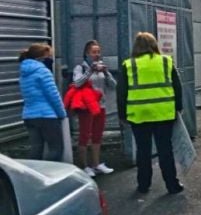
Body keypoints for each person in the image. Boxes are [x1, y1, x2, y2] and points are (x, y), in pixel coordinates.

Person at [118, 32, 184, 195]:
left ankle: (143, 184)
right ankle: (172, 184)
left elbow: (122, 92)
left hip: (139, 114)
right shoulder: (165, 61)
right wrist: (179, 107)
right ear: (154, 45)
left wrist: (122, 115)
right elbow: (177, 86)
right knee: (165, 150)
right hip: (163, 113)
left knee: (143, 150)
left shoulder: (129, 64)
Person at [72, 40, 116, 177]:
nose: (96, 55)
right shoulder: (81, 68)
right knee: (85, 134)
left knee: (97, 134)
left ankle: (96, 164)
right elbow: (77, 83)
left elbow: (113, 85)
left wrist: (106, 72)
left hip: (100, 105)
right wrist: (91, 70)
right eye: (93, 52)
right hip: (86, 106)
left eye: (98, 52)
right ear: (87, 53)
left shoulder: (101, 67)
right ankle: (84, 165)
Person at [19, 43, 67, 161]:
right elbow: (53, 96)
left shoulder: (24, 72)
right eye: (48, 56)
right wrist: (62, 114)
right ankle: (51, 176)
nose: (50, 59)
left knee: (36, 149)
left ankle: (33, 176)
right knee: (55, 149)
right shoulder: (43, 72)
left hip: (29, 115)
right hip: (47, 116)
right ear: (40, 57)